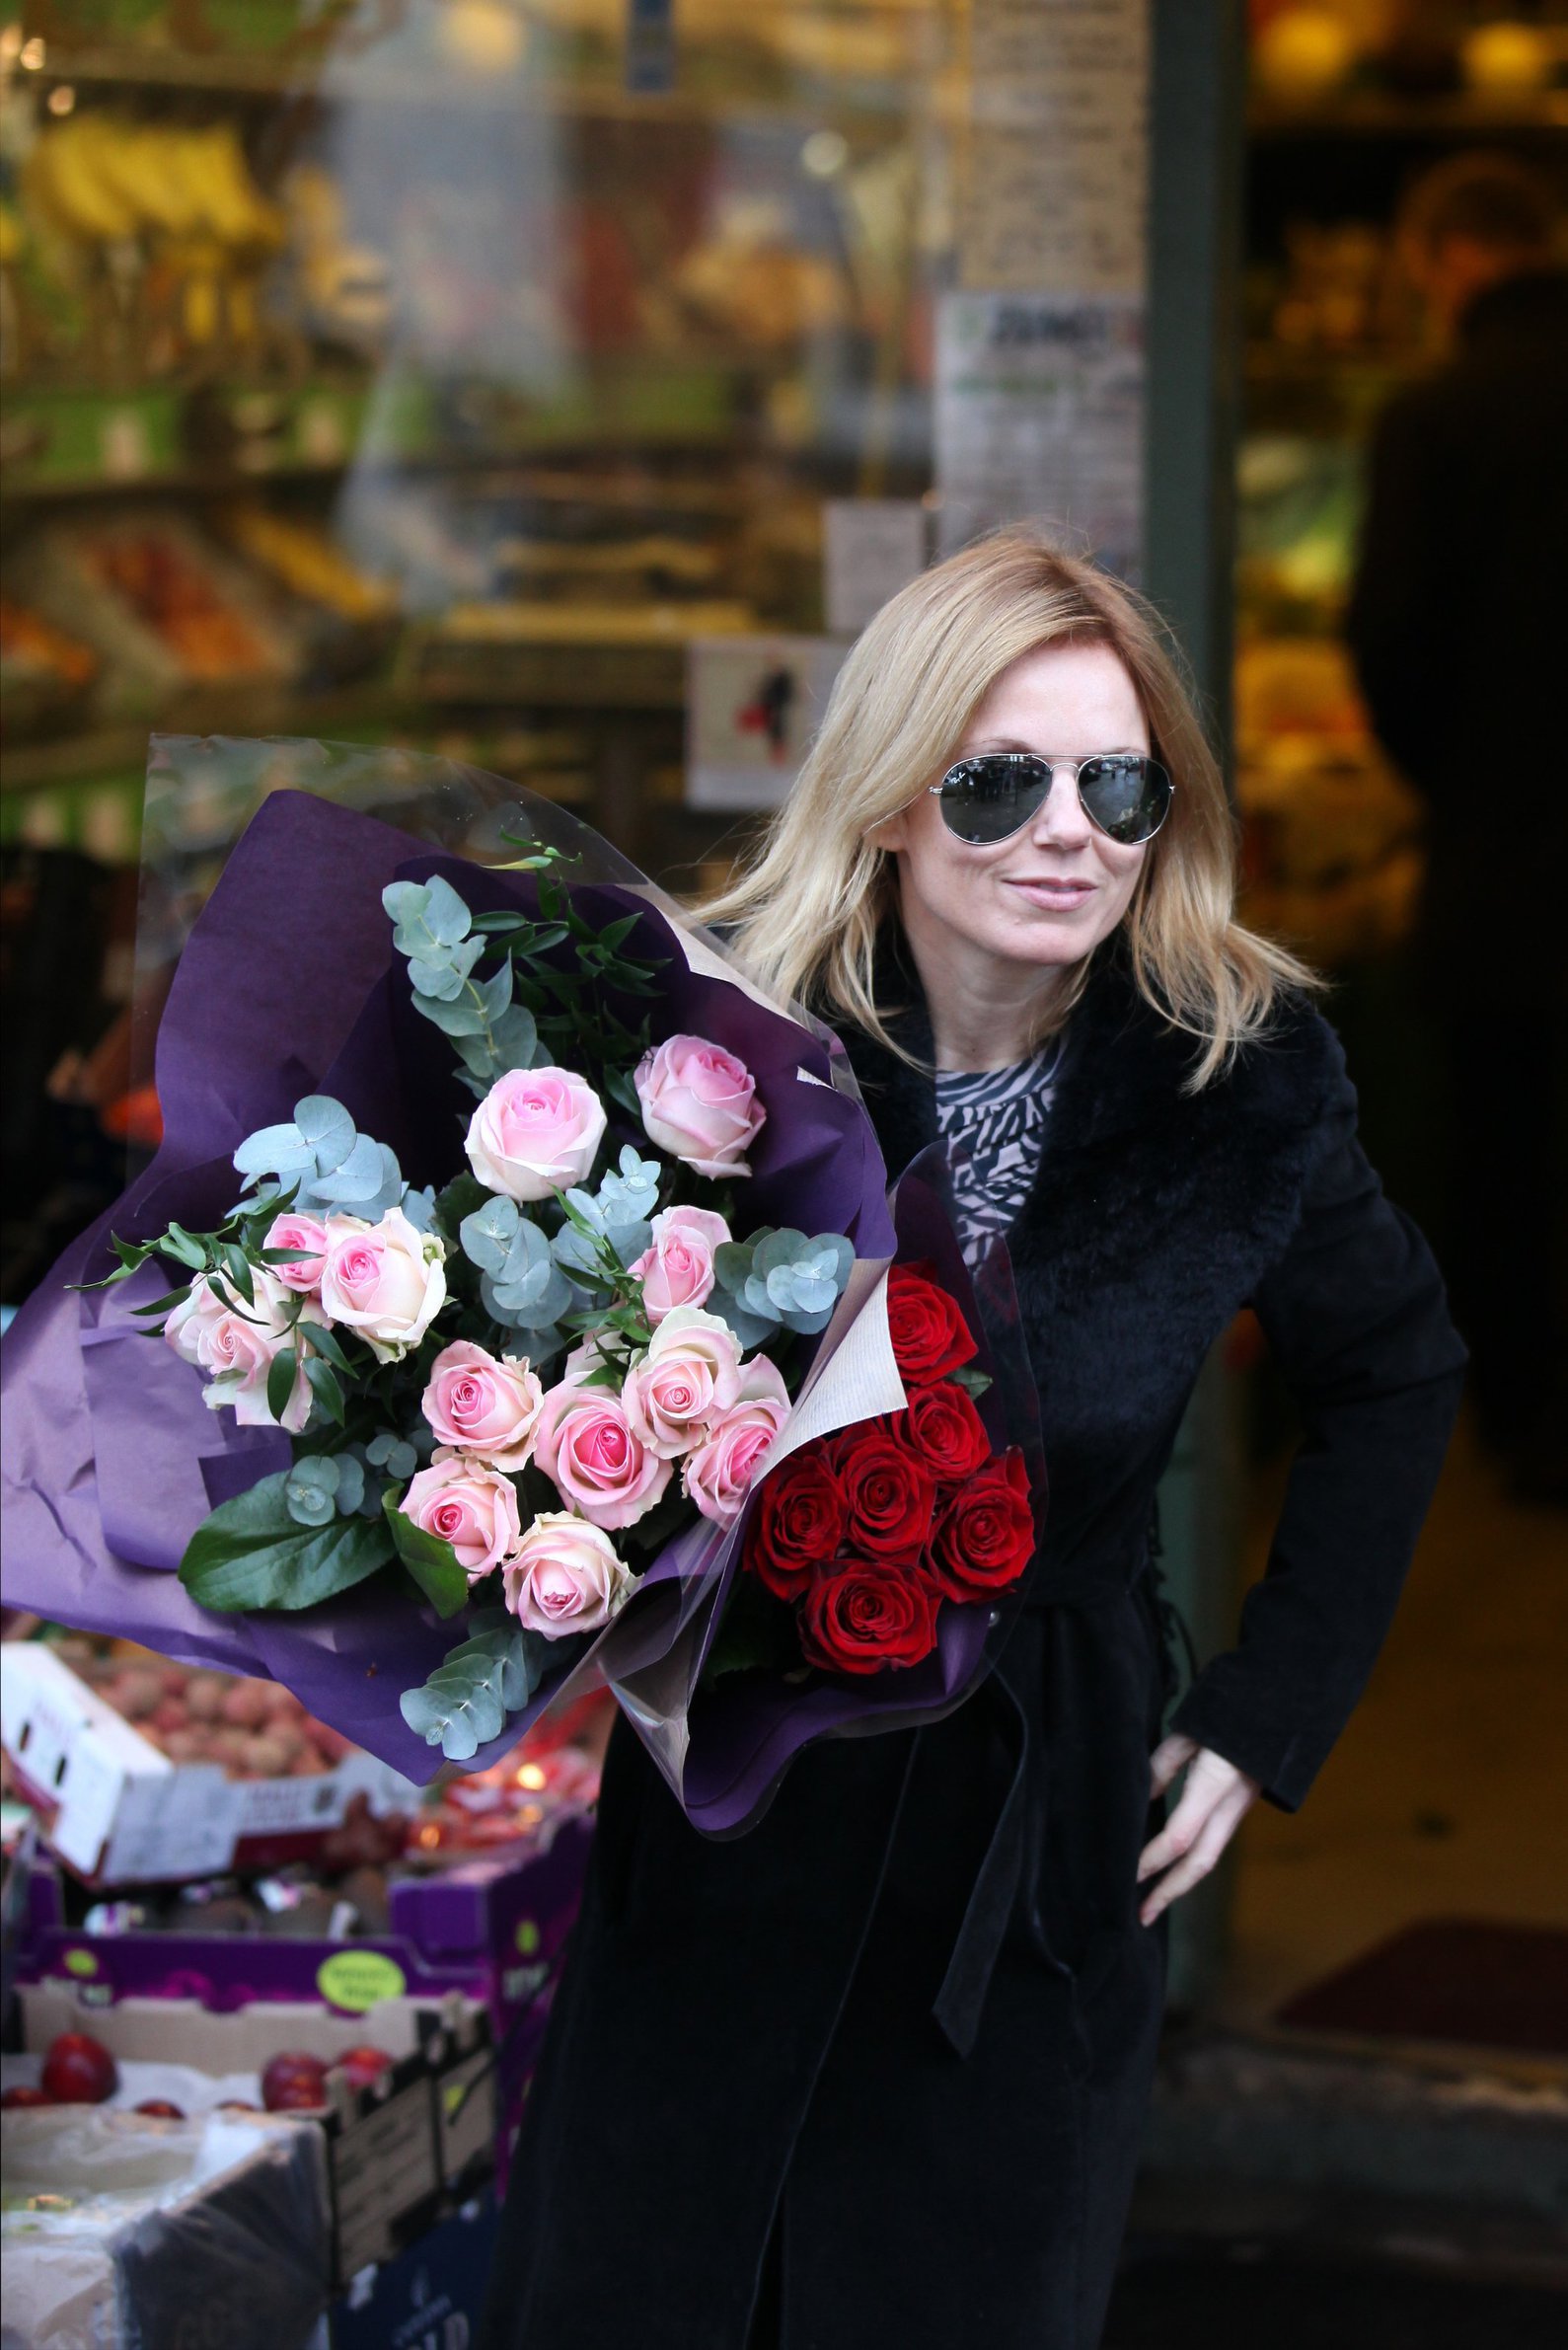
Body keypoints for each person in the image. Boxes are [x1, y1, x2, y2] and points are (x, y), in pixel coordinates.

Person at [479, 534, 1465, 2350]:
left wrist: (1265, 1715)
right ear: (888, 801)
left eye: (1117, 782)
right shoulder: (715, 1058)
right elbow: (553, 1378)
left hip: (1034, 1847)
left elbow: (1395, 1373)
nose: (1065, 828)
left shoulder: (1238, 1079)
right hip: (734, 1821)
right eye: (999, 780)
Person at [1346, 152, 1568, 1498]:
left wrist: (1462, 781)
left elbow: (1389, 643)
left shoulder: (1434, 416)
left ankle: (1531, 1434)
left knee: (1507, 1146)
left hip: (1504, 858)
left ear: (1444, 264)